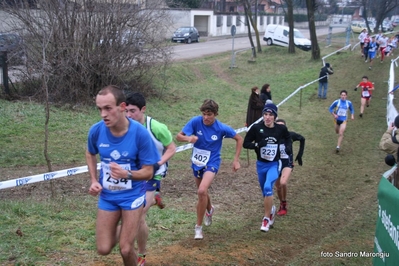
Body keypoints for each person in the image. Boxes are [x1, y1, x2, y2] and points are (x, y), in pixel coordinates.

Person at [86, 85, 160, 266]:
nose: (103, 114)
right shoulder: (96, 131)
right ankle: (127, 227)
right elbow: (90, 153)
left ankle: (130, 231)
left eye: (108, 108)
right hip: (108, 197)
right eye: (100, 109)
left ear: (122, 107)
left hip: (132, 197)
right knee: (103, 248)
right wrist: (94, 180)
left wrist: (126, 174)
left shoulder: (140, 134)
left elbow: (149, 172)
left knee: (126, 249)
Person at [176, 99, 243, 240]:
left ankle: (198, 228)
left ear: (215, 114)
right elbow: (179, 136)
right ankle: (210, 209)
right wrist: (188, 138)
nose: (206, 117)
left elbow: (239, 139)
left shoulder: (221, 128)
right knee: (203, 191)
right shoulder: (195, 121)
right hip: (197, 161)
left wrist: (236, 160)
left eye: (209, 114)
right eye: (204, 114)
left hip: (212, 161)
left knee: (201, 191)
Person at [125, 92, 176, 265]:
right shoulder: (124, 127)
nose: (129, 115)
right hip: (134, 175)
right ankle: (154, 198)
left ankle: (141, 255)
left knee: (139, 215)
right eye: (126, 111)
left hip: (154, 173)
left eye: (133, 111)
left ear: (143, 109)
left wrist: (158, 163)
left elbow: (171, 148)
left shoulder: (156, 127)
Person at [243, 103, 292, 232]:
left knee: (267, 187)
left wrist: (288, 147)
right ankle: (272, 210)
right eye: (265, 114)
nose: (267, 117)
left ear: (275, 117)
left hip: (274, 164)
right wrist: (257, 145)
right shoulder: (256, 128)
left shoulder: (280, 129)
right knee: (265, 193)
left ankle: (266, 219)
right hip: (261, 165)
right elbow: (246, 143)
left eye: (270, 115)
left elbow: (288, 138)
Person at [274, 119, 305, 216]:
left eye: (282, 126)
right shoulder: (273, 136)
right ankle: (281, 204)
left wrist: (299, 155)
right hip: (276, 163)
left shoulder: (290, 135)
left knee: (283, 182)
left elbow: (302, 139)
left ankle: (284, 202)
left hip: (287, 163)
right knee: (278, 187)